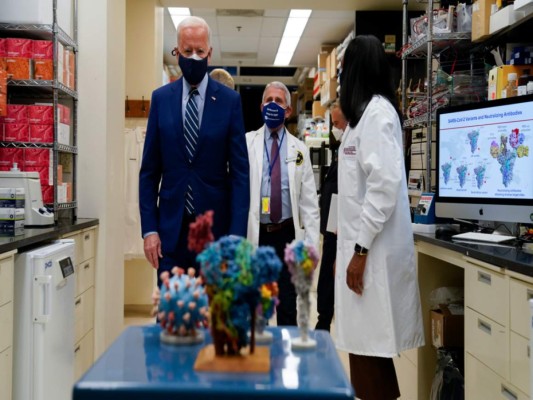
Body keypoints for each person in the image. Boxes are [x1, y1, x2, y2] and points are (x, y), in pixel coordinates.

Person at [335, 35, 425, 400]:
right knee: (364, 347)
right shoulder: (363, 117)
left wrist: (359, 250)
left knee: (370, 348)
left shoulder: (378, 115)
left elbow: (384, 187)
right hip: (362, 249)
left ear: (355, 70)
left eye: (343, 70)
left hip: (370, 254)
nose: (340, 77)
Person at [139, 16, 250, 281]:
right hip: (170, 234)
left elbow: (240, 174)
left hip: (215, 233)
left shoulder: (229, 102)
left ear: (210, 53)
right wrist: (149, 230)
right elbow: (149, 173)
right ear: (176, 52)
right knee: (172, 315)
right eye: (187, 51)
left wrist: (236, 235)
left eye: (200, 51)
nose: (194, 57)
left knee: (214, 317)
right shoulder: (161, 99)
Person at [246, 81, 319, 326]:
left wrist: (309, 248)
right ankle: (261, 361)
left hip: (288, 235)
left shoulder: (300, 150)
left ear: (288, 110)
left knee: (288, 308)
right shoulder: (247, 143)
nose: (272, 106)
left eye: (278, 101)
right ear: (261, 106)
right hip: (259, 237)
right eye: (268, 101)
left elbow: (309, 204)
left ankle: (287, 363)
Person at [315, 100, 347, 332]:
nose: (334, 128)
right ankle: (324, 316)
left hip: (339, 218)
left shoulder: (351, 144)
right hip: (332, 218)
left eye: (337, 123)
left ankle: (324, 319)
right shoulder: (342, 146)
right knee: (328, 266)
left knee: (330, 268)